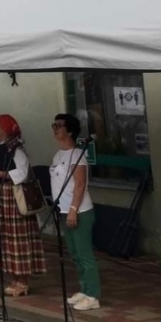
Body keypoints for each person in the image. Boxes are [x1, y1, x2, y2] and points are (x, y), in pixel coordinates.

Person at [0, 114, 45, 297]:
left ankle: (22, 281)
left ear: (4, 129)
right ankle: (14, 277)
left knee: (17, 239)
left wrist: (0, 174)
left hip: (13, 197)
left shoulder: (16, 149)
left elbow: (23, 173)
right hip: (0, 197)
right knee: (6, 238)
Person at [51, 113, 102, 311]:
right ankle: (84, 288)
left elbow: (79, 185)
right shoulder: (58, 154)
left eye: (60, 125)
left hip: (79, 210)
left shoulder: (77, 154)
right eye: (53, 125)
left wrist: (73, 210)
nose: (55, 129)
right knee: (74, 253)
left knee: (84, 253)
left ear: (70, 130)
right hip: (63, 210)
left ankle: (93, 295)